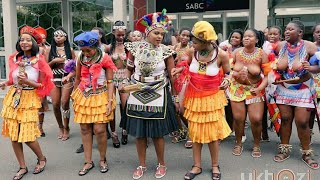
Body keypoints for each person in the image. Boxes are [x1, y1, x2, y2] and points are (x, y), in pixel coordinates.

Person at [121, 9, 178, 179]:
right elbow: (128, 70)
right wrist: (125, 83)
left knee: (157, 133)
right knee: (140, 133)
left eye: (162, 33)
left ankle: (161, 164)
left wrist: (175, 97)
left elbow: (172, 75)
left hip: (159, 91)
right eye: (156, 33)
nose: (160, 36)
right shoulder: (133, 48)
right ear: (147, 33)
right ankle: (142, 164)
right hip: (137, 91)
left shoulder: (166, 51)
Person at [172, 21, 231, 180]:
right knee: (195, 134)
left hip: (212, 100)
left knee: (212, 135)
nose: (192, 44)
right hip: (194, 98)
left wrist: (227, 80)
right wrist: (180, 68)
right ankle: (196, 166)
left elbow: (228, 73)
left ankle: (214, 165)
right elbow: (188, 66)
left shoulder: (221, 55)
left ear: (206, 41)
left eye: (196, 41)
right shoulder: (193, 52)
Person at [1, 25, 54, 180]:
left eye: (28, 40)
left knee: (28, 136)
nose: (24, 42)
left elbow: (44, 85)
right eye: (22, 40)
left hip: (30, 99)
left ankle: (42, 158)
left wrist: (29, 83)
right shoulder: (14, 58)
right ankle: (22, 166)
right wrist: (6, 83)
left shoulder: (39, 61)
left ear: (34, 43)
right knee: (14, 134)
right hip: (14, 98)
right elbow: (13, 79)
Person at [272, 20, 320, 169]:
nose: (286, 31)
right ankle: (284, 149)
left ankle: (306, 153)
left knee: (302, 122)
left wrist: (311, 67)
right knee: (285, 119)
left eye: (291, 29)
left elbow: (319, 66)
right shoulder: (279, 46)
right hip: (284, 89)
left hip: (303, 89)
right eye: (286, 29)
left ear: (300, 32)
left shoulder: (310, 46)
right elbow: (268, 62)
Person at [72, 31, 117, 176]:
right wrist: (74, 95)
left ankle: (103, 159)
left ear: (96, 46)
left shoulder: (105, 57)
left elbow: (110, 82)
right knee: (85, 129)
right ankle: (88, 161)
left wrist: (110, 101)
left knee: (99, 130)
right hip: (84, 96)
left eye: (88, 50)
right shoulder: (80, 57)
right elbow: (78, 78)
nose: (86, 53)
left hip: (101, 95)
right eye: (83, 50)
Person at [230, 29, 270, 158]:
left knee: (256, 119)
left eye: (250, 36)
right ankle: (238, 143)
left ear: (257, 40)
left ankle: (257, 144)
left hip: (255, 89)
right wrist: (236, 74)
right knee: (238, 119)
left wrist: (259, 89)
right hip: (237, 88)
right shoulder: (236, 52)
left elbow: (268, 76)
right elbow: (229, 71)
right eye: (245, 36)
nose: (246, 38)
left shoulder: (262, 54)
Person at [47, 27, 76, 141]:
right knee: (55, 104)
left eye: (61, 36)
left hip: (66, 77)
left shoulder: (71, 50)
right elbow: (45, 67)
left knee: (64, 103)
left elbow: (75, 69)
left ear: (65, 37)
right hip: (54, 78)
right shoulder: (49, 50)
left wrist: (69, 76)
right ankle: (60, 127)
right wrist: (54, 61)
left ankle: (67, 127)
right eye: (56, 36)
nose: (58, 38)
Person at [106, 20, 128, 147]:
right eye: (118, 35)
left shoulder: (129, 47)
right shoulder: (108, 48)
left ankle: (125, 130)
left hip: (125, 77)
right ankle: (114, 133)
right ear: (113, 33)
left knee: (125, 106)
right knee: (112, 106)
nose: (120, 37)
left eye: (122, 35)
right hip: (112, 78)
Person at [172, 27, 193, 148]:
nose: (185, 37)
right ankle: (182, 131)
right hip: (175, 79)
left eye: (187, 36)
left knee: (183, 108)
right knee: (176, 108)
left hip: (186, 80)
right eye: (183, 35)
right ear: (178, 36)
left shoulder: (192, 49)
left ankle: (191, 133)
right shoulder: (175, 48)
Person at [34, 26, 50, 137]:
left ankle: (40, 126)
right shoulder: (29, 49)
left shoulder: (47, 49)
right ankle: (31, 126)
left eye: (43, 37)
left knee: (40, 103)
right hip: (30, 78)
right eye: (39, 37)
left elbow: (47, 65)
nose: (41, 39)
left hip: (41, 77)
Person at [309, 23, 320, 143]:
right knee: (311, 112)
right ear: (314, 34)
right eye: (318, 32)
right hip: (312, 83)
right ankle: (308, 136)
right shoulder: (309, 47)